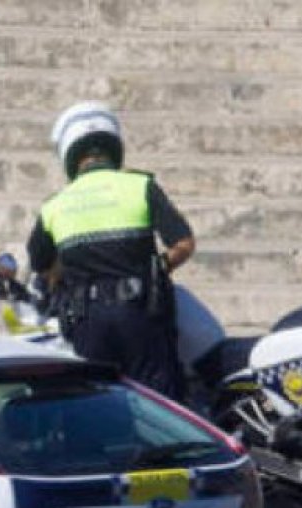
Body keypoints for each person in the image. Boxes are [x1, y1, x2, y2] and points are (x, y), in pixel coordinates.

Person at [26, 101, 196, 400]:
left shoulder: (54, 206)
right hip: (142, 315)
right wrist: (158, 268)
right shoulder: (140, 186)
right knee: (160, 406)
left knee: (98, 406)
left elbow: (42, 265)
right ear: (113, 146)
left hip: (88, 323)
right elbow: (184, 244)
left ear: (69, 153)